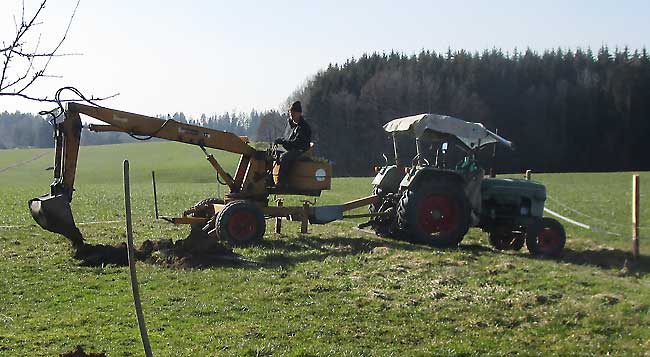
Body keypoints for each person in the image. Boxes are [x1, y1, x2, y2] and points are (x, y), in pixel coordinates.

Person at [274, 101, 312, 187]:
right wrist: (281, 140)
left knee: (284, 157)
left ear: (299, 113)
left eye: (293, 114)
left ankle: (282, 183)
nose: (291, 116)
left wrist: (282, 141)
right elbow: (288, 139)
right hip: (294, 149)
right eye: (290, 114)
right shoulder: (293, 125)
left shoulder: (303, 127)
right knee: (276, 155)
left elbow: (296, 143)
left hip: (300, 150)